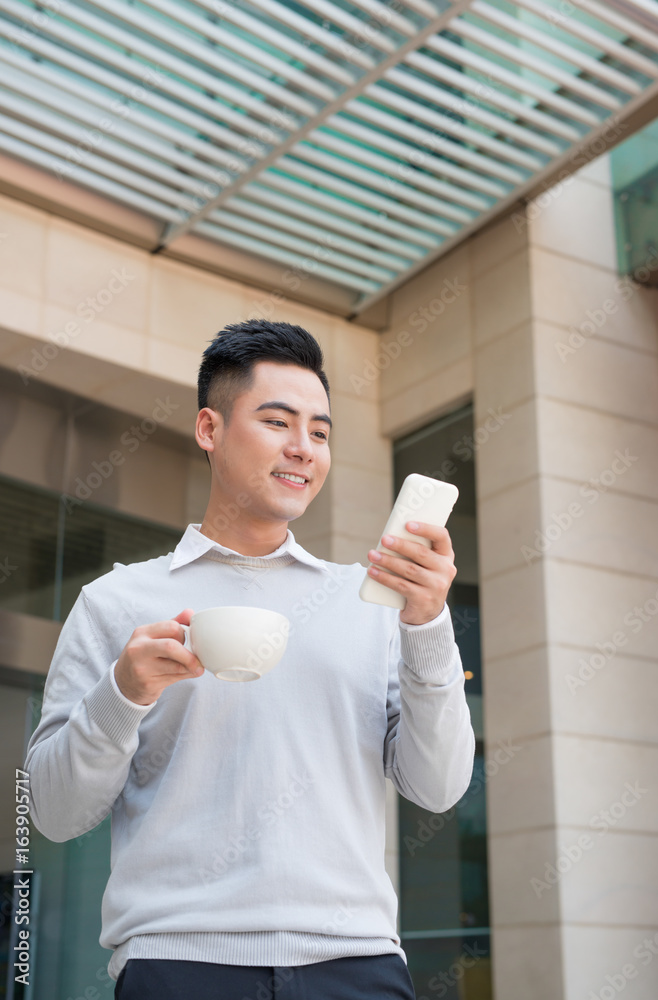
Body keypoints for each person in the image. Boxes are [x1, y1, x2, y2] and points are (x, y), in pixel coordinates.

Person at [26, 320, 475, 1000]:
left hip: (356, 963)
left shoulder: (369, 606)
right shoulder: (116, 602)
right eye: (276, 422)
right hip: (179, 962)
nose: (303, 449)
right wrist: (123, 691)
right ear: (209, 429)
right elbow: (54, 813)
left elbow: (437, 786)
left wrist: (427, 623)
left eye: (320, 433)